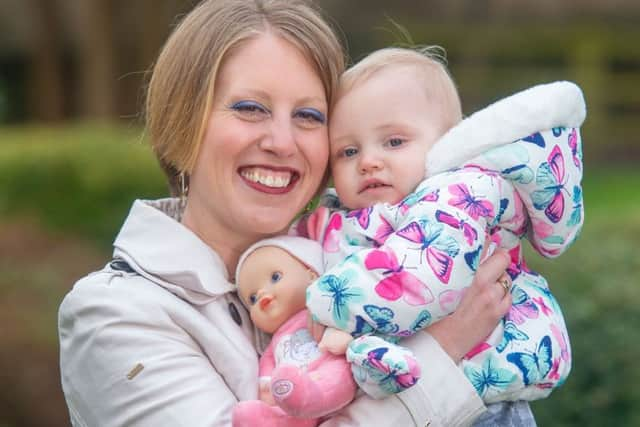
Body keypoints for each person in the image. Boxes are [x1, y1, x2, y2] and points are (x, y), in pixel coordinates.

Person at [57, 1, 520, 426]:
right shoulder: (114, 315)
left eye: (309, 116)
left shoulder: (371, 257)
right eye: (250, 108)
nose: (282, 142)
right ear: (183, 119)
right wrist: (442, 351)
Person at [297, 48, 584, 406]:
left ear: (448, 142)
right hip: (420, 385)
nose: (369, 161)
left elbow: (422, 277)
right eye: (348, 151)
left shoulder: (459, 195)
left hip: (489, 383)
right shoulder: (347, 215)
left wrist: (325, 303)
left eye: (394, 142)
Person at [232, 236, 357, 427]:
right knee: (281, 406)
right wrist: (266, 385)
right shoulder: (274, 342)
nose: (263, 296)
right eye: (253, 298)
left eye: (275, 277)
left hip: (328, 373)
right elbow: (268, 363)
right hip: (291, 393)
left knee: (333, 378)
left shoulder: (322, 311)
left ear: (312, 275)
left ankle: (306, 399)